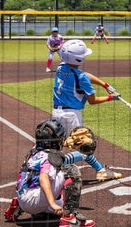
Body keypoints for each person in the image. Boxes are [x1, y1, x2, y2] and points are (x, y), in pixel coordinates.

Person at [4, 118, 95, 227]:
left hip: (24, 198)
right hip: (34, 202)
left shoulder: (34, 151)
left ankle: (19, 205)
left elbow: (56, 156)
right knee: (71, 170)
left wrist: (68, 144)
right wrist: (52, 203)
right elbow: (43, 178)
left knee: (60, 203)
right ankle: (70, 217)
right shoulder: (50, 158)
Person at [52, 39, 122, 181]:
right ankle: (53, 165)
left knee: (60, 144)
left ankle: (100, 169)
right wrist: (110, 97)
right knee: (84, 146)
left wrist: (104, 84)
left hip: (56, 113)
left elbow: (84, 75)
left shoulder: (61, 67)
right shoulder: (81, 78)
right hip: (71, 115)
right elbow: (92, 100)